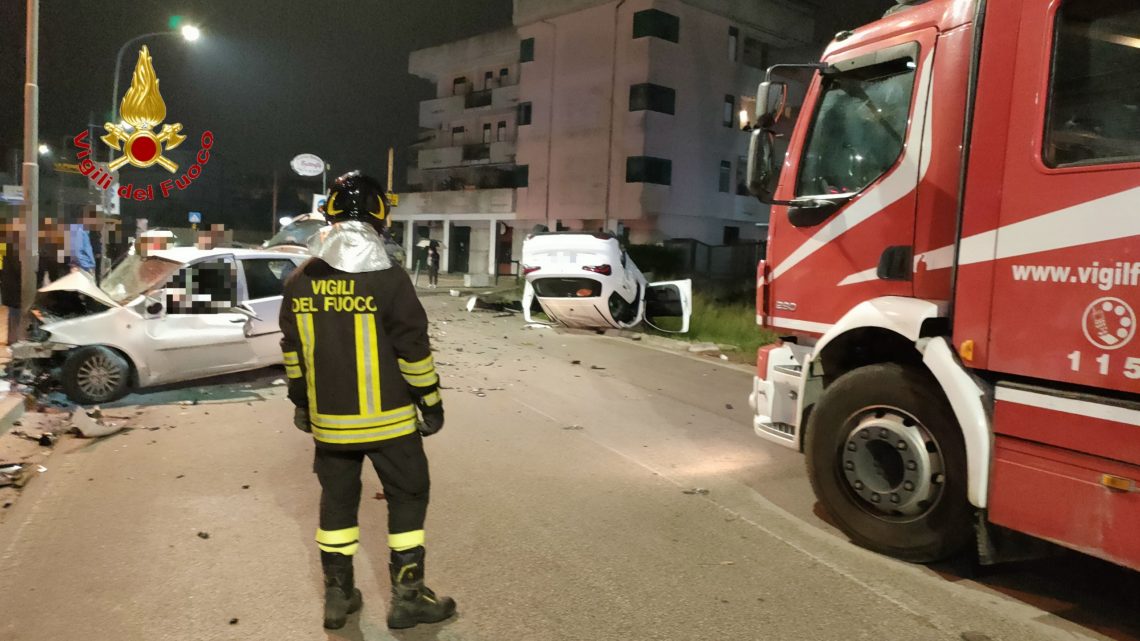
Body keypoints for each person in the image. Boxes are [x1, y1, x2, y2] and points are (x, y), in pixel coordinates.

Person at [279, 171, 455, 631]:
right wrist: (431, 403)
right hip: (392, 425)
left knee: (337, 504)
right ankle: (408, 597)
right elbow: (413, 349)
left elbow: (293, 355)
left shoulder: (300, 280)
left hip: (330, 427)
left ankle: (338, 595)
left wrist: (302, 405)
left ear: (330, 213)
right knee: (409, 496)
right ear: (379, 214)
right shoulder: (390, 280)